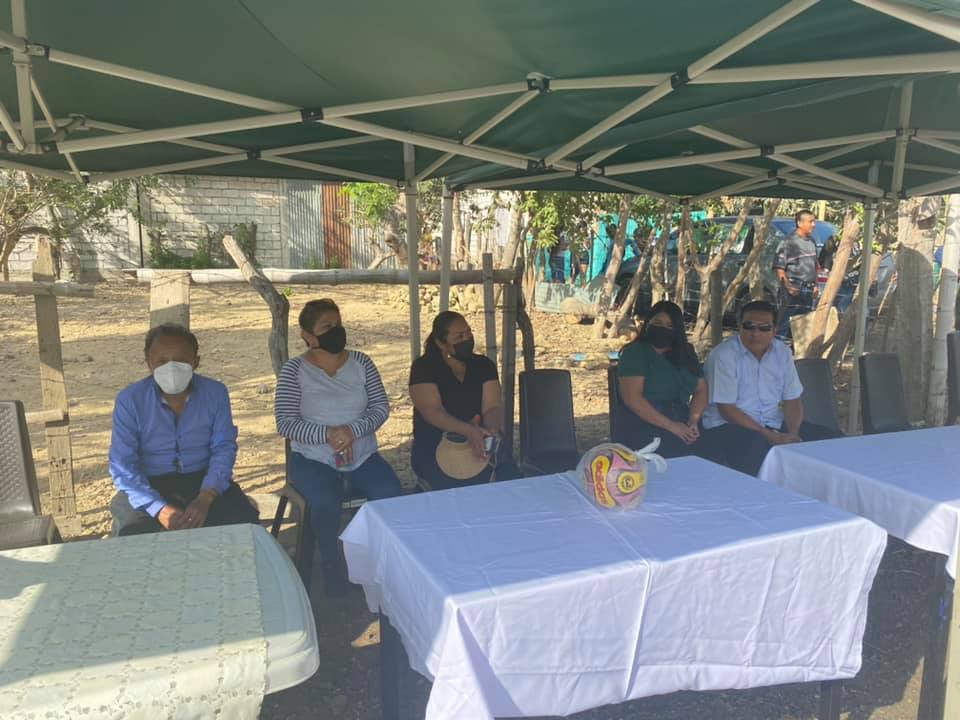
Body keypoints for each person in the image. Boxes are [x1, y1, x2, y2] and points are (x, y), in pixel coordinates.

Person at [275, 298, 401, 594]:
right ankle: (333, 569)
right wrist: (328, 434)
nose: (336, 331)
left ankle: (388, 564)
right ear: (308, 336)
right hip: (313, 458)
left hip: (362, 455)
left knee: (391, 495)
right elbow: (285, 423)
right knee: (324, 503)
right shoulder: (294, 371)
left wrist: (351, 431)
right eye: (326, 327)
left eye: (338, 324)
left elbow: (380, 408)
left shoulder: (361, 363)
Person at [109, 324, 258, 536]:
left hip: (202, 480)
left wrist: (206, 497)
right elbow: (123, 464)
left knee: (243, 525)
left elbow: (224, 448)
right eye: (162, 361)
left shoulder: (215, 393)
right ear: (149, 363)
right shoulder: (130, 400)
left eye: (180, 361)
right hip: (148, 483)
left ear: (195, 362)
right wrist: (158, 508)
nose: (171, 368)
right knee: (134, 533)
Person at [701, 300, 841, 476]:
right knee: (757, 450)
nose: (755, 333)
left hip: (772, 422)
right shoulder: (723, 355)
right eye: (749, 326)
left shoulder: (782, 353)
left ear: (775, 330)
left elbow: (792, 399)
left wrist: (793, 433)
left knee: (831, 439)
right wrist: (769, 435)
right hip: (727, 425)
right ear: (740, 327)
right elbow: (727, 410)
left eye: (764, 328)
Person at [409, 311, 518, 490]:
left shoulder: (483, 365)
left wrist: (489, 429)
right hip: (436, 444)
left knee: (509, 480)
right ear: (441, 343)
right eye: (459, 336)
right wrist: (468, 431)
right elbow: (432, 411)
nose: (467, 339)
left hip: (481, 439)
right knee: (453, 488)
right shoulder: (424, 367)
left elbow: (493, 406)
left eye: (468, 332)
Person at [615, 301, 724, 461]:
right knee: (677, 455)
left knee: (715, 453)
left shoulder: (685, 352)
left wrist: (693, 422)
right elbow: (633, 399)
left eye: (669, 325)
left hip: (682, 419)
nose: (662, 328)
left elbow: (701, 389)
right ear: (648, 323)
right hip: (645, 423)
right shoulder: (635, 352)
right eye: (657, 323)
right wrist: (673, 427)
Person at [774, 209, 820, 340]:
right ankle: (778, 348)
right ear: (800, 223)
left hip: (808, 289)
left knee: (803, 326)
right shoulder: (788, 242)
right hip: (793, 289)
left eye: (814, 221)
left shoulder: (812, 242)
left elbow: (814, 265)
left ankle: (798, 351)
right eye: (810, 221)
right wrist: (788, 286)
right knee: (783, 325)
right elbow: (779, 268)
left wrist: (816, 285)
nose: (813, 225)